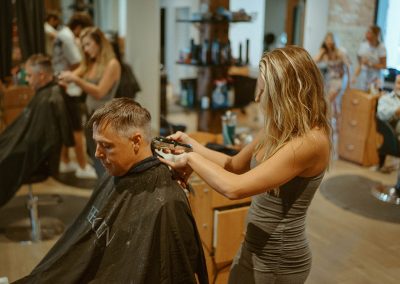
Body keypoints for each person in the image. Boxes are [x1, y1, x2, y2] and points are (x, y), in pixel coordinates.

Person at [162, 46, 331, 284]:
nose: (257, 98)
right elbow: (234, 165)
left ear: (287, 92)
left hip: (278, 260)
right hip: (253, 248)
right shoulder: (278, 128)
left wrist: (190, 159)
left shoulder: (310, 142)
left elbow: (235, 188)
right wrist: (191, 146)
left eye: (264, 91)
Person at [14, 98, 208, 284]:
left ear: (136, 141)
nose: (97, 153)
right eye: (96, 143)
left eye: (106, 146)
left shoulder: (166, 204)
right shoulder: (114, 174)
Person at [0, 54, 74, 206]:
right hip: (27, 148)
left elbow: (42, 140)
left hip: (39, 161)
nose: (26, 80)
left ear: (41, 76)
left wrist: (11, 145)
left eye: (28, 75)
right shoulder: (45, 94)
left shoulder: (50, 97)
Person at [59, 26, 121, 178]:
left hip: (105, 120)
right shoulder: (89, 63)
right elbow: (70, 76)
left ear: (99, 43)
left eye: (88, 44)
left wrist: (76, 80)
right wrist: (62, 78)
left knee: (106, 161)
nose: (85, 50)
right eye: (83, 46)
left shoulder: (112, 64)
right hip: (91, 117)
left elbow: (100, 92)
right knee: (95, 156)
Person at [53, 12, 96, 179]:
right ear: (78, 27)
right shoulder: (68, 38)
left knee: (68, 126)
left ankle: (65, 161)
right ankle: (82, 166)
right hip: (68, 88)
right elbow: (79, 63)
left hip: (63, 84)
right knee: (77, 128)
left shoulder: (61, 35)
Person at [314, 32, 350, 125]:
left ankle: (329, 125)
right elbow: (313, 62)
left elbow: (348, 67)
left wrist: (349, 84)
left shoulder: (340, 52)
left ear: (334, 42)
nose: (329, 43)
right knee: (335, 105)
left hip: (339, 80)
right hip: (329, 80)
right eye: (327, 41)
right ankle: (334, 129)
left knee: (327, 101)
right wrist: (321, 51)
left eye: (331, 41)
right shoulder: (324, 53)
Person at [352, 25, 387, 91]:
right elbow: (361, 64)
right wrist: (355, 76)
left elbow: (384, 66)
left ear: (376, 35)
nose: (367, 34)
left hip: (375, 77)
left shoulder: (381, 47)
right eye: (367, 32)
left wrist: (370, 64)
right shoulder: (363, 45)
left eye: (369, 33)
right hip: (364, 76)